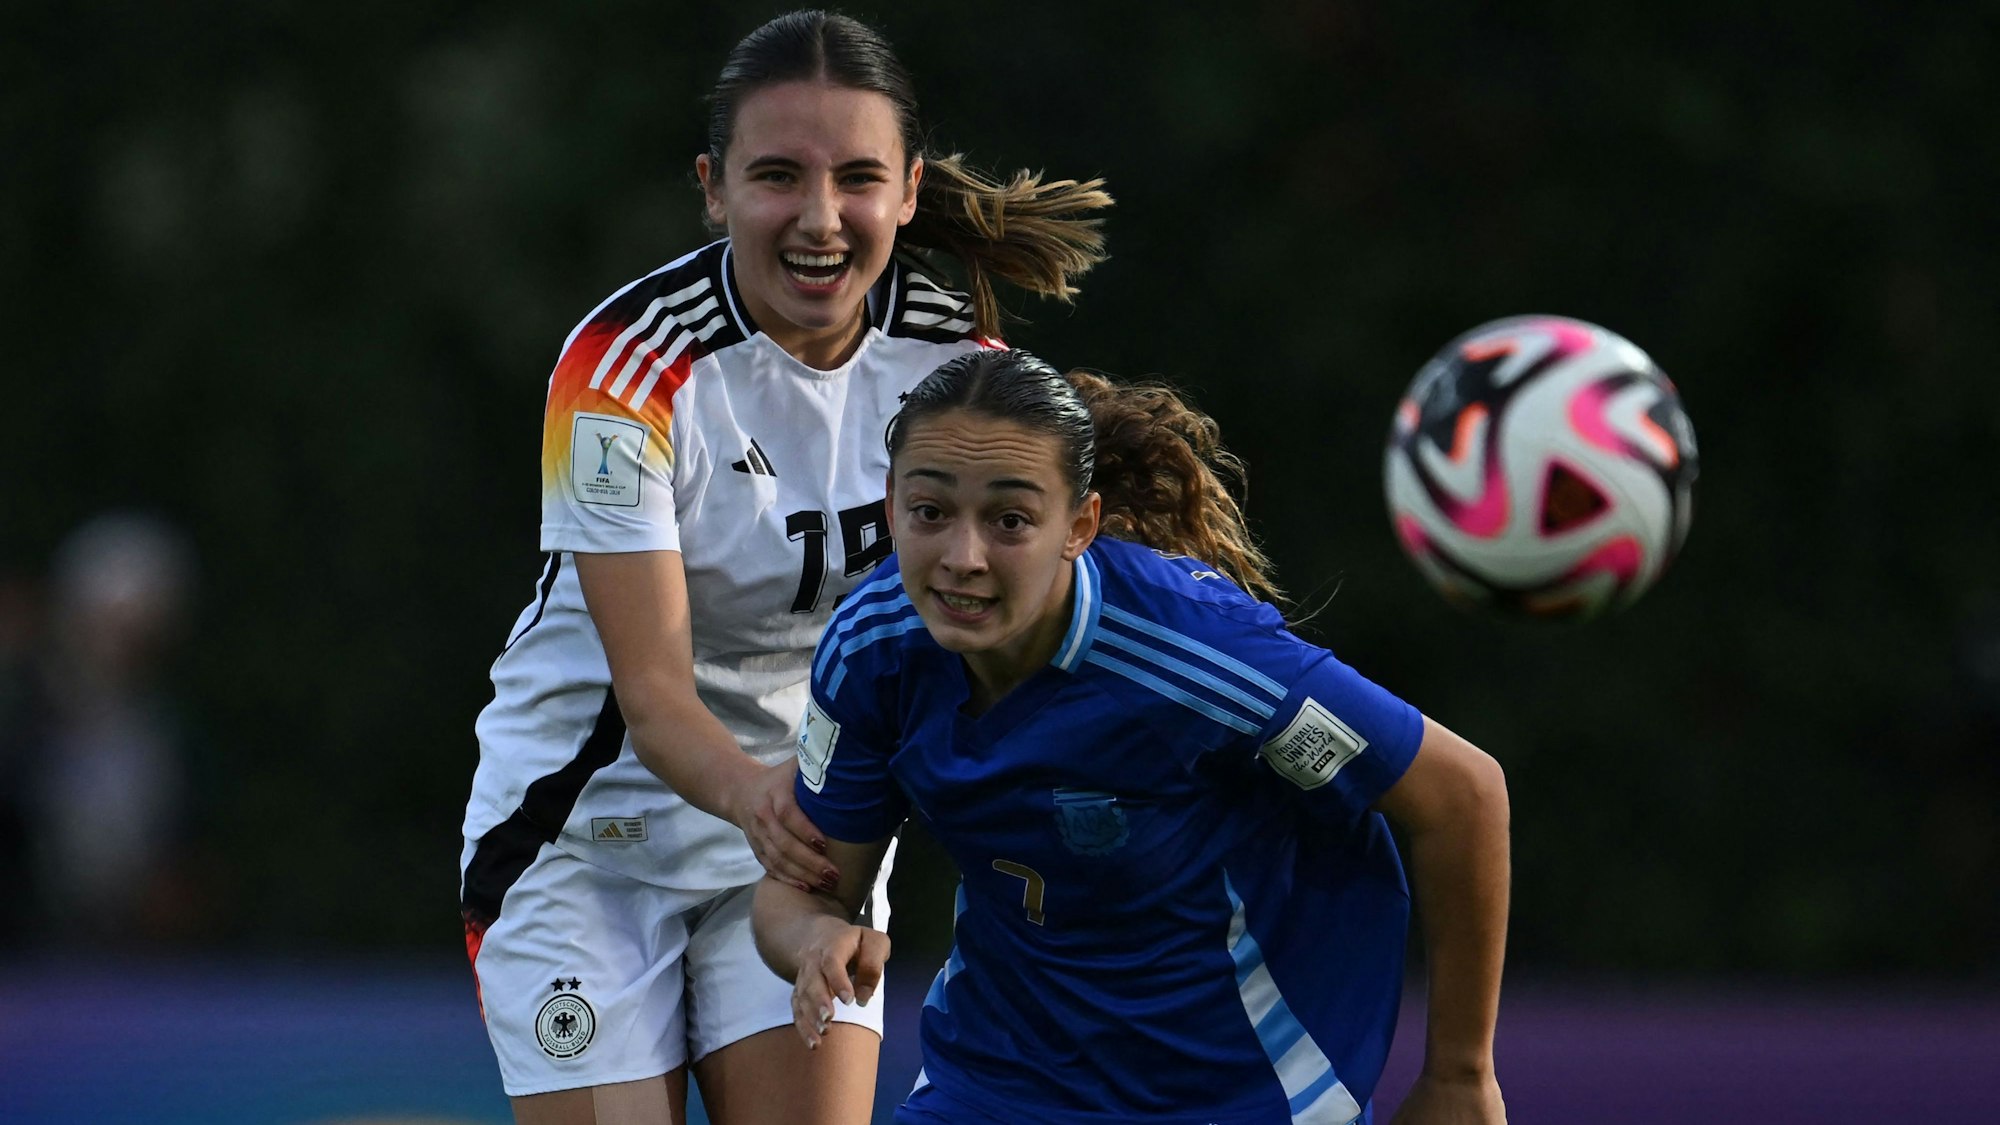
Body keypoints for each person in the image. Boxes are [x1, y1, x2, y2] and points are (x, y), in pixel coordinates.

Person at [458, 12, 1111, 1125]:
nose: (819, 220)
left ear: (907, 191)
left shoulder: (963, 370)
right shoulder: (620, 372)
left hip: (808, 839)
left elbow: (1031, 595)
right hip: (590, 846)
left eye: (857, 179)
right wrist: (781, 804)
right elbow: (655, 703)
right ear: (712, 189)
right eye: (776, 177)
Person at [753, 350, 1510, 1124]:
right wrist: (814, 936)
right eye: (930, 512)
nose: (963, 558)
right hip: (995, 1080)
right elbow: (801, 892)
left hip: (1234, 1090)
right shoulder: (870, 648)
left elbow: (1463, 794)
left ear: (1079, 524)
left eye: (1010, 520)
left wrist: (1460, 1075)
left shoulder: (1202, 656)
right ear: (890, 508)